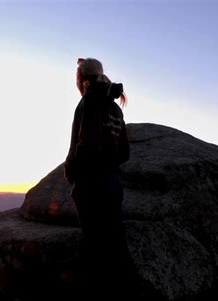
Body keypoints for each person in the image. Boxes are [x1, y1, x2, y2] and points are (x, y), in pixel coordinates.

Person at [64, 57, 136, 298]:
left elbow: (84, 144)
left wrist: (72, 171)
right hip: (113, 185)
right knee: (116, 246)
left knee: (97, 250)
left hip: (90, 186)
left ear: (81, 79)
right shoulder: (114, 106)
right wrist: (110, 167)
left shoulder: (89, 101)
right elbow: (124, 151)